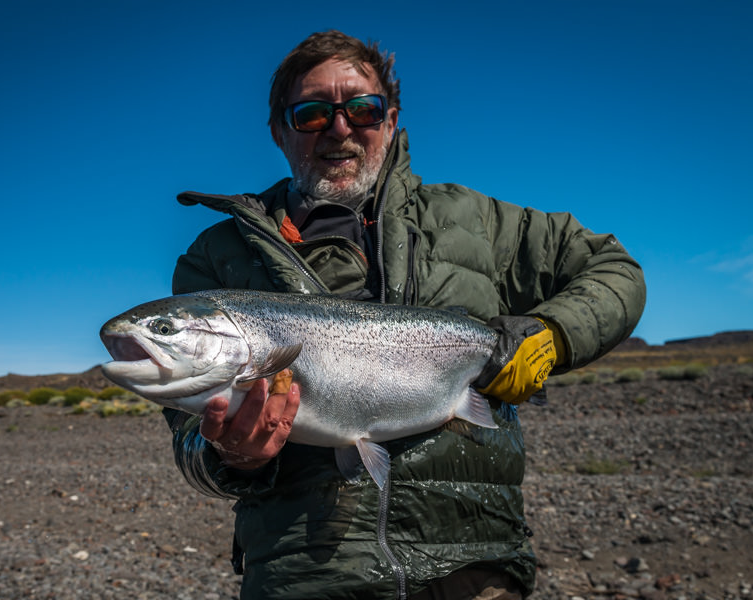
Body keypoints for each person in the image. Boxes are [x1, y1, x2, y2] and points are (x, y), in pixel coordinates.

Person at [164, 30, 646, 600]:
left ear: (389, 122)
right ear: (279, 131)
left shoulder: (477, 221)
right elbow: (190, 442)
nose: (340, 129)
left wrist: (553, 334)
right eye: (313, 113)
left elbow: (613, 268)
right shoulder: (217, 258)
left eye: (362, 109)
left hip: (473, 565)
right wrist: (228, 455)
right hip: (304, 576)